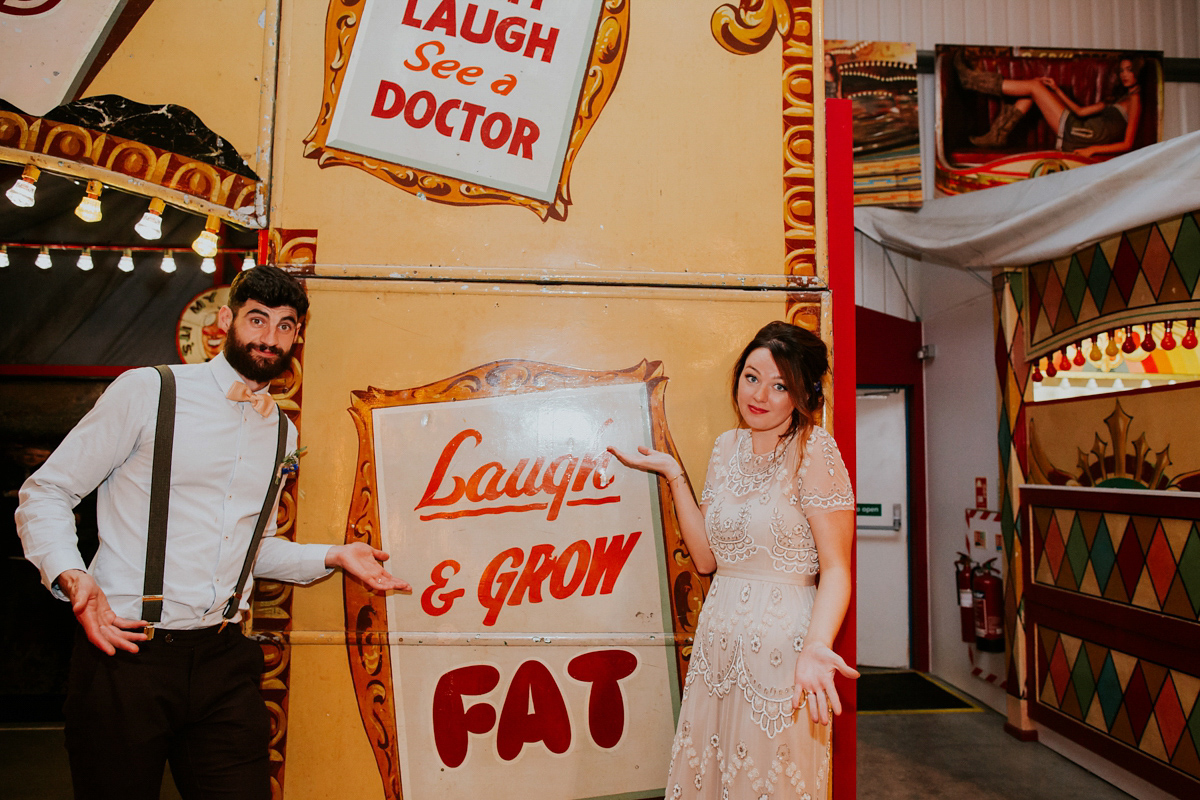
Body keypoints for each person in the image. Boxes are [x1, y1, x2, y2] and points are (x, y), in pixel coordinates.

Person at [16, 265, 411, 800]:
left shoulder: (281, 430)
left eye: (286, 326)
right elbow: (47, 492)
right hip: (128, 654)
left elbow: (256, 548)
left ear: (298, 336)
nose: (270, 338)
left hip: (223, 660)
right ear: (226, 320)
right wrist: (72, 578)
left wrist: (336, 556)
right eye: (257, 320)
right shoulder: (148, 391)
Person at [609, 321, 858, 799]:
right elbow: (705, 559)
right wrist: (674, 475)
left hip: (785, 652)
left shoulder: (815, 450)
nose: (759, 394)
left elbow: (837, 569)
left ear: (802, 392)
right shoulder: (726, 448)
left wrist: (816, 647)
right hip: (718, 645)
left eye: (779, 384)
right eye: (751, 376)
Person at [955, 52, 1144, 159]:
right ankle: (997, 135)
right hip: (1080, 129)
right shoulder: (1117, 99)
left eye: (1129, 70)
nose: (1124, 75)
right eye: (1121, 71)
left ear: (1138, 71)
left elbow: (1128, 144)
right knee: (1035, 87)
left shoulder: (1135, 100)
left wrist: (1092, 149)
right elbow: (1080, 111)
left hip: (1083, 136)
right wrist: (1056, 90)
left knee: (1034, 86)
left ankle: (970, 80)